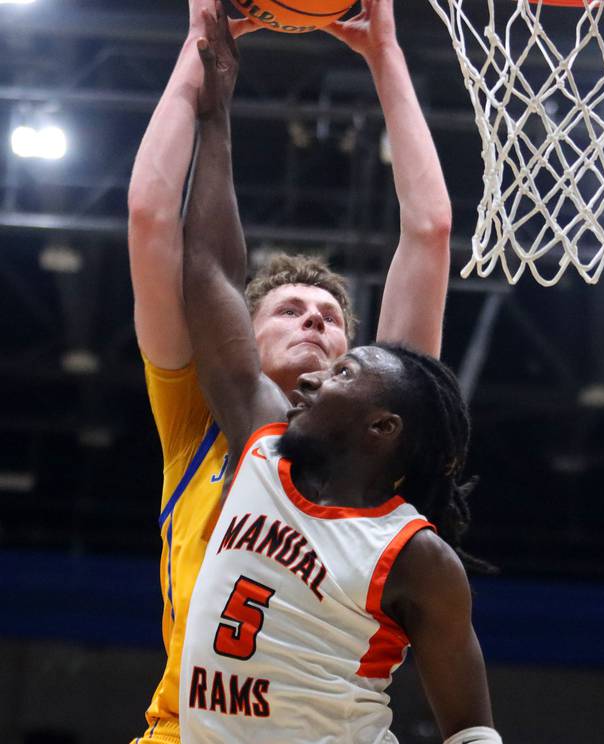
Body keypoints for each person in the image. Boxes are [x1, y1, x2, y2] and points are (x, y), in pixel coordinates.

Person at [127, 0, 452, 741]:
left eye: (332, 318)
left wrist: (386, 53)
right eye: (288, 310)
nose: (315, 320)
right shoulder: (199, 425)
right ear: (237, 334)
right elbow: (153, 217)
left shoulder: (378, 450)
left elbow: (429, 234)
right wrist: (200, 46)